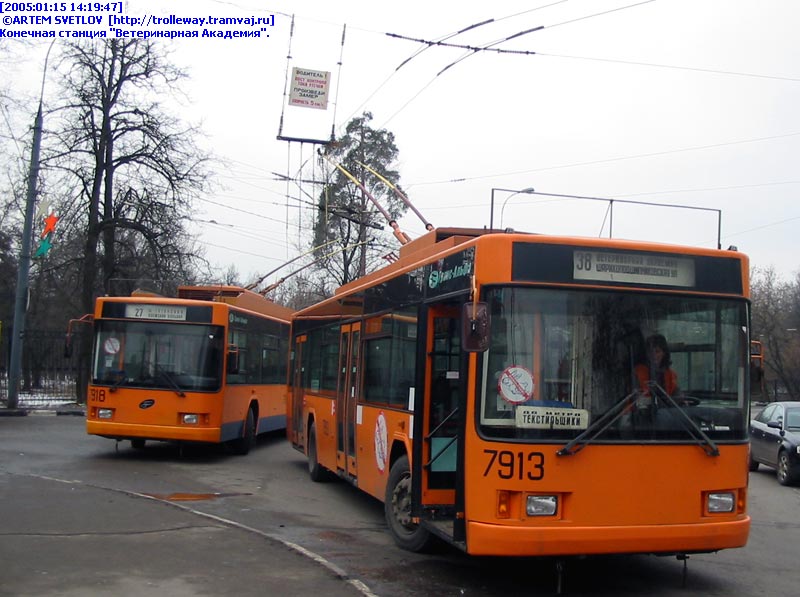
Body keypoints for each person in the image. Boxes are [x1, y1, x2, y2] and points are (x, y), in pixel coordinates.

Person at [634, 334, 679, 405]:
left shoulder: (671, 374)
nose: (653, 355)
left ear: (664, 353)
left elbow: (677, 395)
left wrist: (681, 400)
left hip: (666, 410)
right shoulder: (637, 372)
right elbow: (635, 400)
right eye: (650, 351)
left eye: (657, 351)